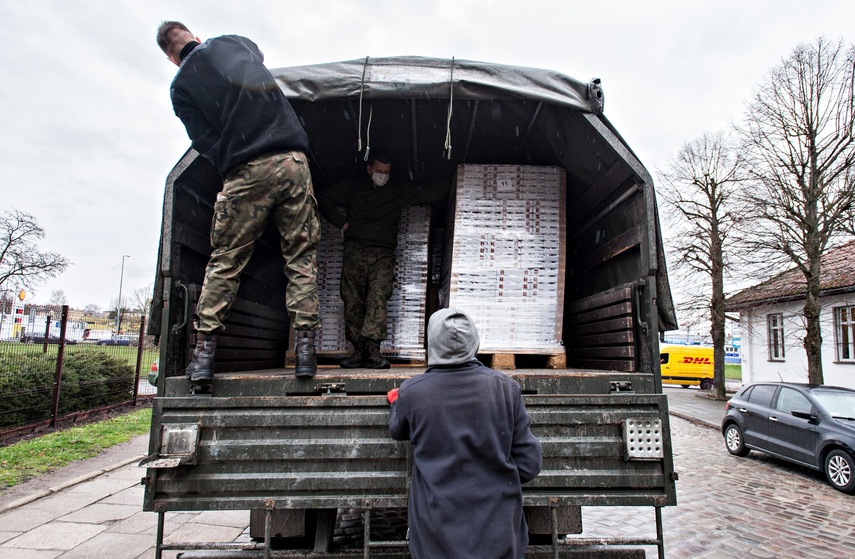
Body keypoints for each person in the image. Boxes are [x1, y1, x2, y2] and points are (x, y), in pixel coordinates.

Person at [155, 21, 321, 385]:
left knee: (227, 261)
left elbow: (203, 140)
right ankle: (306, 354)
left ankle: (203, 359)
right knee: (301, 257)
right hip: (292, 161)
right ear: (195, 36)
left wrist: (233, 157)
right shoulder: (232, 43)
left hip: (246, 169)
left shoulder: (181, 87)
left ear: (171, 58)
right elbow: (255, 58)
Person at [387, 308, 543, 559]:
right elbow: (529, 464)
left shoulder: (413, 391)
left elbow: (397, 430)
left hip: (435, 534)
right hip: (500, 532)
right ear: (474, 341)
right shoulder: (506, 388)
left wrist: (396, 403)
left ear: (432, 342)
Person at [317, 152, 449, 369]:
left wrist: (453, 173)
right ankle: (358, 351)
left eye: (386, 172)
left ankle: (373, 351)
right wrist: (341, 223)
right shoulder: (352, 187)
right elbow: (323, 198)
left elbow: (430, 192)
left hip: (383, 253)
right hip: (354, 250)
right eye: (379, 171)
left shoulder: (398, 191)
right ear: (369, 169)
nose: (383, 175)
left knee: (378, 298)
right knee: (352, 300)